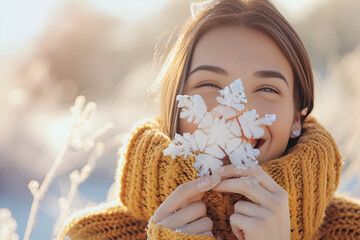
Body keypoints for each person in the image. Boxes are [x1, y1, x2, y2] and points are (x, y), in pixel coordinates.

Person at [59, 0, 360, 239]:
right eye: (210, 85)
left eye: (267, 88)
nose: (236, 112)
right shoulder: (92, 235)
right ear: (174, 102)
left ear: (297, 116)